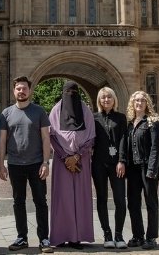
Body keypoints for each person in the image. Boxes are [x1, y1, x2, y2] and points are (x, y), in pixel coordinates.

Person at [0, 76, 54, 253]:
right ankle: (22, 238)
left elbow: (46, 138)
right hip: (15, 164)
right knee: (18, 202)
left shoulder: (39, 112)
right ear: (14, 91)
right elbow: (2, 140)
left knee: (40, 202)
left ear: (30, 91)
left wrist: (46, 162)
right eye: (18, 88)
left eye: (24, 88)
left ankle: (44, 239)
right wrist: (1, 164)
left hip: (36, 163)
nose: (21, 91)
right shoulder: (6, 113)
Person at [48, 81, 95, 249]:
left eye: (74, 92)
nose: (71, 95)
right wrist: (64, 157)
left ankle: (77, 237)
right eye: (67, 92)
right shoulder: (55, 111)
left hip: (81, 160)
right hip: (62, 163)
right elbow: (52, 136)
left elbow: (91, 137)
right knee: (63, 199)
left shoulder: (85, 111)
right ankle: (61, 235)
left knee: (81, 199)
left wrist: (77, 155)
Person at [125, 91, 159, 250]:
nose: (139, 103)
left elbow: (155, 148)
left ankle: (151, 237)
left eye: (142, 100)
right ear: (132, 104)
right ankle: (138, 236)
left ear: (147, 103)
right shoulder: (130, 122)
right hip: (133, 168)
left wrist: (152, 169)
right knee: (133, 203)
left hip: (148, 167)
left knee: (151, 202)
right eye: (136, 100)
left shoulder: (153, 122)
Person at [91, 87, 128, 249]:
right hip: (98, 163)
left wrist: (122, 160)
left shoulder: (120, 118)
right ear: (99, 100)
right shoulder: (94, 117)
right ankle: (107, 234)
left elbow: (123, 139)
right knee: (101, 199)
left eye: (109, 97)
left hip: (116, 164)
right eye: (103, 98)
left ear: (114, 99)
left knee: (120, 199)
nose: (106, 100)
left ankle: (119, 235)